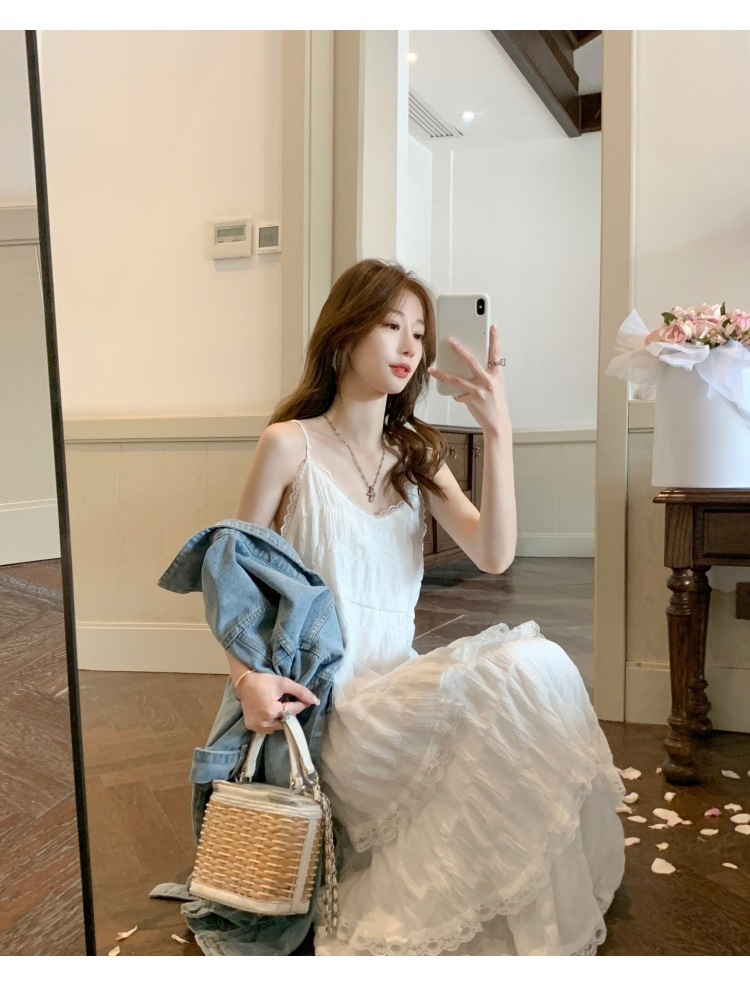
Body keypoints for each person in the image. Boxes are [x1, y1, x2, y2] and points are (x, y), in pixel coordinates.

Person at [227, 258, 626, 956]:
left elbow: (494, 554)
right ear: (345, 331)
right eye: (391, 326)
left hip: (398, 684)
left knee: (534, 666)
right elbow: (231, 584)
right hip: (333, 710)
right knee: (517, 674)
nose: (410, 346)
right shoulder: (288, 445)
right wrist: (244, 681)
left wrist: (499, 433)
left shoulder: (416, 454)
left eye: (419, 332)